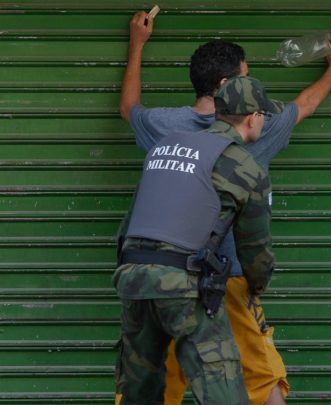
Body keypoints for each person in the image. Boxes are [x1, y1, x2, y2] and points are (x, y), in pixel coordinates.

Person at [118, 10, 331, 405]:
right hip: (212, 280)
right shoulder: (245, 149)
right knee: (247, 382)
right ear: (237, 96)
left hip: (140, 274)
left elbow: (129, 108)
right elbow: (256, 247)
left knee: (148, 385)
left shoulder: (165, 133)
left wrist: (137, 45)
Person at [114, 75, 280, 404]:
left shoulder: (166, 145)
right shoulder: (243, 164)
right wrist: (256, 288)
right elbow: (255, 251)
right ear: (253, 117)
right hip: (181, 282)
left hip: (132, 279)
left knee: (142, 393)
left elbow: (130, 222)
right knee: (223, 387)